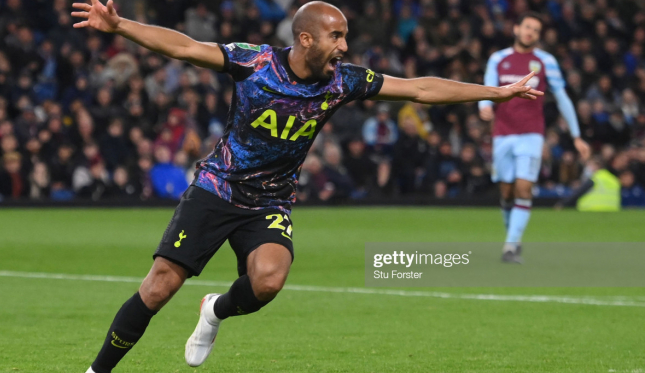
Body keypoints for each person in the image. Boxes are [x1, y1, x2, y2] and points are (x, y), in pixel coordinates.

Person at [71, 1, 542, 371]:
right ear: (305, 38)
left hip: (270, 201)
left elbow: (420, 88)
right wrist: (122, 26)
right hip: (217, 188)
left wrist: (496, 92)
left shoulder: (342, 82)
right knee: (158, 288)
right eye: (336, 36)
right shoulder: (254, 62)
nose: (343, 46)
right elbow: (186, 47)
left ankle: (214, 311)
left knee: (269, 281)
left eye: (345, 36)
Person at [478, 12, 591, 263]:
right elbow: (488, 88)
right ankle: (512, 238)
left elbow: (562, 97)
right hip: (502, 134)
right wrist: (484, 106)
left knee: (524, 187)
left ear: (539, 36)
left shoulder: (545, 61)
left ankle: (511, 245)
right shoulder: (498, 58)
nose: (530, 32)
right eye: (527, 27)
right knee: (506, 191)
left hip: (531, 134)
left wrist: (577, 136)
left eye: (536, 30)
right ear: (516, 28)